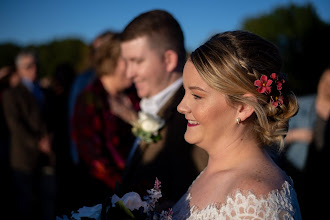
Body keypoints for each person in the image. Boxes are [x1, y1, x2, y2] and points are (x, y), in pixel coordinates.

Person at [172, 30, 301, 219]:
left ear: (243, 107)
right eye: (185, 92)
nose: (181, 107)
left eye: (197, 96)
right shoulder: (211, 171)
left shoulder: (256, 202)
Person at [118, 9, 208, 205]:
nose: (129, 73)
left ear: (168, 60)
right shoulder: (151, 108)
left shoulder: (192, 118)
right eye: (126, 62)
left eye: (137, 61)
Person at [71, 31, 140, 208]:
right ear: (112, 61)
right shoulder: (89, 99)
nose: (134, 69)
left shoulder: (133, 95)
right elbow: (93, 159)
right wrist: (129, 189)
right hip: (106, 196)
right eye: (129, 61)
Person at [2, 50, 55, 220]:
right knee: (27, 205)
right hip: (24, 160)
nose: (34, 69)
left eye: (36, 64)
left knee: (48, 203)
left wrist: (50, 138)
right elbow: (16, 126)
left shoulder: (44, 90)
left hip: (46, 156)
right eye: (29, 66)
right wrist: (38, 143)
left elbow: (51, 118)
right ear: (19, 70)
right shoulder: (11, 94)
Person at [68, 30, 114, 165]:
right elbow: (74, 120)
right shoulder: (84, 80)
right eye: (99, 49)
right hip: (92, 162)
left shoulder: (125, 82)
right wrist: (77, 158)